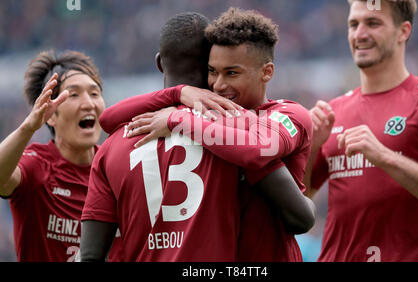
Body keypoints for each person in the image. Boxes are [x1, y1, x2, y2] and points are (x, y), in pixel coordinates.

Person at [80, 12, 315, 262]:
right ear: (207, 64)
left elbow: (91, 255)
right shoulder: (230, 135)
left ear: (159, 63)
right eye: (214, 72)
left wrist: (177, 115)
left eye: (231, 73)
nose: (219, 85)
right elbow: (301, 218)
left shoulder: (114, 143)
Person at [304, 0, 418, 262]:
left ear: (403, 31)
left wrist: (385, 157)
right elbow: (301, 200)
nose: (360, 34)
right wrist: (311, 148)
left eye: (373, 23)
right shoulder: (333, 111)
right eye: (353, 24)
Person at [0, 50, 112, 261]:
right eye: (73, 94)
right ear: (50, 116)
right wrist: (28, 128)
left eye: (95, 93)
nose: (88, 103)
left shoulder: (115, 169)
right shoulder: (37, 166)